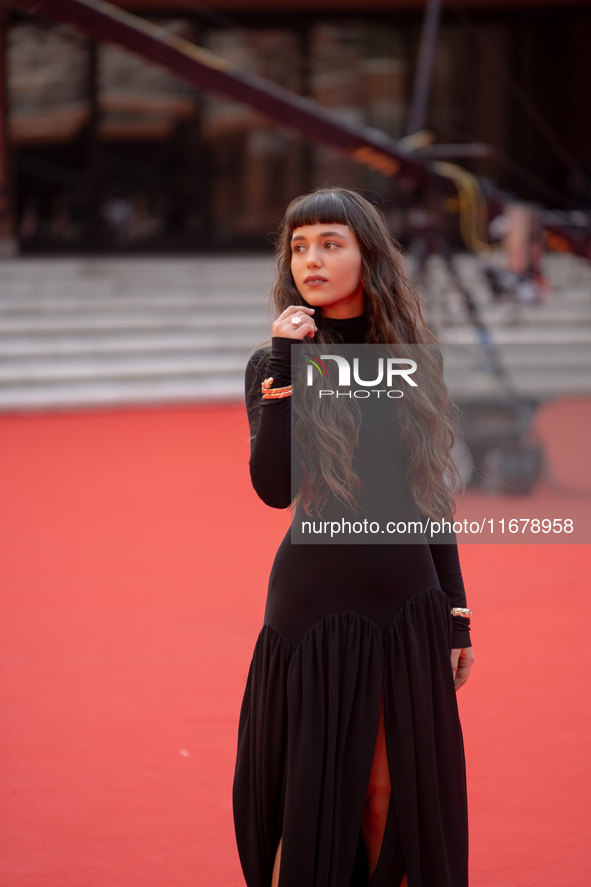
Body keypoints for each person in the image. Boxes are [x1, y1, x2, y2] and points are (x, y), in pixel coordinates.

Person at [233, 187, 474, 887]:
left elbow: (429, 492)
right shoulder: (273, 363)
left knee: (386, 801)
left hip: (405, 604)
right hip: (312, 605)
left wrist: (455, 608)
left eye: (329, 243)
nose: (310, 258)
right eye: (298, 245)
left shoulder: (408, 362)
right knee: (308, 802)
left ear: (367, 256)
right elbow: (274, 486)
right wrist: (285, 364)